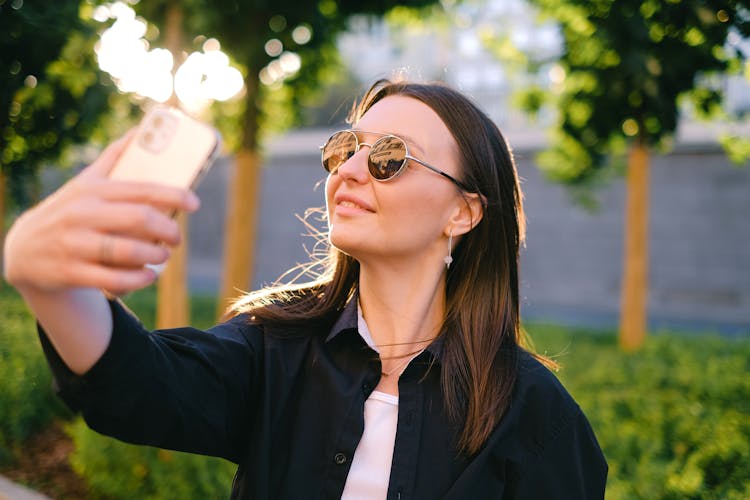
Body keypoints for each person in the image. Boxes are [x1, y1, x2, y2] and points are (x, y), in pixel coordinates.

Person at [3, 79, 607, 499]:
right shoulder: (274, 346)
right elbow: (140, 386)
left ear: (464, 212)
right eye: (346, 149)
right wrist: (53, 284)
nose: (346, 170)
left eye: (390, 157)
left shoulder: (535, 414)